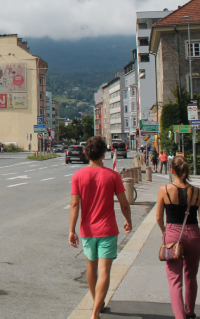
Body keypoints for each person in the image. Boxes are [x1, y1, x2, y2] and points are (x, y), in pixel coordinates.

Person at [69, 136, 133, 319]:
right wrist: (128, 219)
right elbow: (124, 203)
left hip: (87, 230)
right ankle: (95, 312)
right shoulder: (112, 176)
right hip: (108, 230)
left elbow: (75, 205)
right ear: (104, 153)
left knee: (91, 266)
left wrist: (71, 230)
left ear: (87, 153)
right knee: (105, 270)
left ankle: (96, 299)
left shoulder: (78, 176)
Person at [156, 156, 200, 319]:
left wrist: (165, 231)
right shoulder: (199, 193)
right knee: (191, 275)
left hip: (172, 233)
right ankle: (189, 312)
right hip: (194, 234)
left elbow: (158, 218)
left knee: (175, 279)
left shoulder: (165, 190)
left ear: (172, 170)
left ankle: (180, 317)